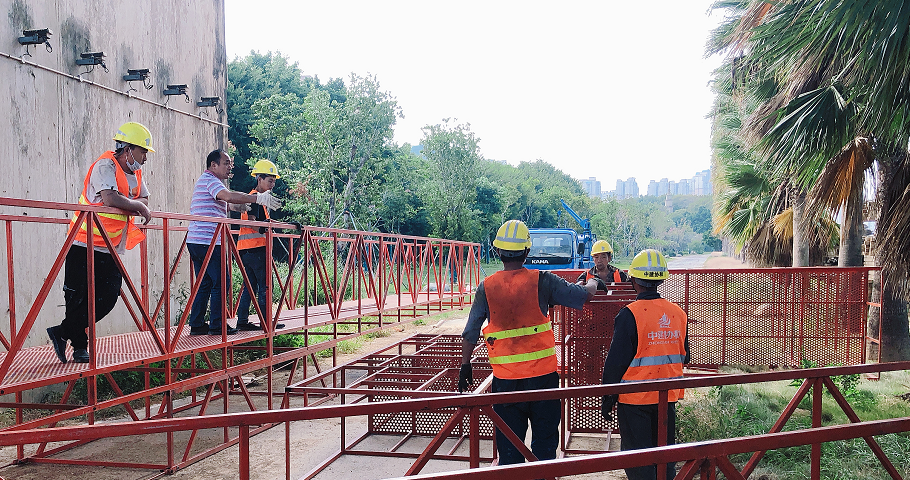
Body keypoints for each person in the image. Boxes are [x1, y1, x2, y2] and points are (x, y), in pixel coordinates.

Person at [459, 220, 598, 465]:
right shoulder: (543, 281)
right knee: (544, 448)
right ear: (527, 251)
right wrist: (594, 281)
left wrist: (465, 365)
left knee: (510, 449)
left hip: (506, 383)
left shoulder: (486, 287)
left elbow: (470, 331)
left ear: (498, 252)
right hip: (543, 380)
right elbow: (584, 295)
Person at [47, 122, 155, 363]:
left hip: (109, 245)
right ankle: (79, 347)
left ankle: (62, 332)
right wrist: (136, 205)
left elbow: (145, 197)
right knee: (77, 298)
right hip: (82, 242)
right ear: (128, 149)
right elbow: (109, 198)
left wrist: (135, 202)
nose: (145, 157)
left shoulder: (135, 172)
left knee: (108, 297)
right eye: (143, 151)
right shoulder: (105, 165)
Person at [601, 248, 690, 480]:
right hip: (666, 399)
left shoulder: (629, 314)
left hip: (635, 400)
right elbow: (685, 355)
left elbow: (615, 364)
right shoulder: (678, 313)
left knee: (637, 459)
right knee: (664, 456)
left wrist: (607, 399)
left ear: (633, 280)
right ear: (660, 280)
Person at [187, 149, 282, 336]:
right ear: (213, 165)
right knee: (222, 282)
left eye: (230, 163)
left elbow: (225, 202)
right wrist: (257, 198)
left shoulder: (208, 182)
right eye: (226, 163)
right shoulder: (211, 180)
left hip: (197, 239)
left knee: (205, 283)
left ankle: (197, 324)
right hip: (209, 240)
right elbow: (228, 196)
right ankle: (217, 325)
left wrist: (237, 206)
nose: (230, 167)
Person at [236, 159, 285, 332]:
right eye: (270, 180)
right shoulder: (255, 199)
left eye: (274, 181)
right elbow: (255, 224)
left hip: (246, 249)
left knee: (250, 287)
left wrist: (273, 223)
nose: (272, 184)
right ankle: (266, 322)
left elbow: (260, 222)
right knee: (265, 286)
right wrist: (271, 225)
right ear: (259, 179)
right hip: (255, 250)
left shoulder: (257, 199)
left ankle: (242, 321)